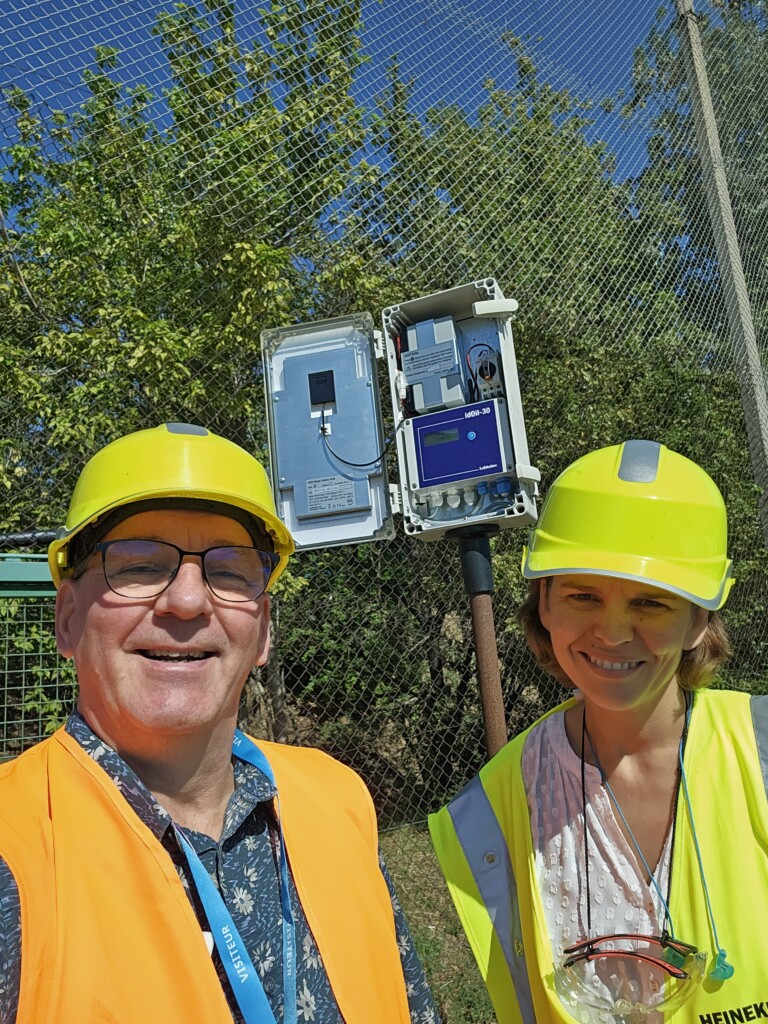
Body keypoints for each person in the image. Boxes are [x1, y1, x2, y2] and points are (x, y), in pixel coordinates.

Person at [0, 422, 439, 1024]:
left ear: (262, 633)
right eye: (138, 565)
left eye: (230, 571)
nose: (186, 601)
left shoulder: (338, 800)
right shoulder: (12, 848)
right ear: (68, 619)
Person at [429, 439, 768, 1023]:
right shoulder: (490, 811)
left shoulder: (761, 752)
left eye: (651, 602)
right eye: (583, 595)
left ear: (700, 618)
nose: (612, 633)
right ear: (545, 606)